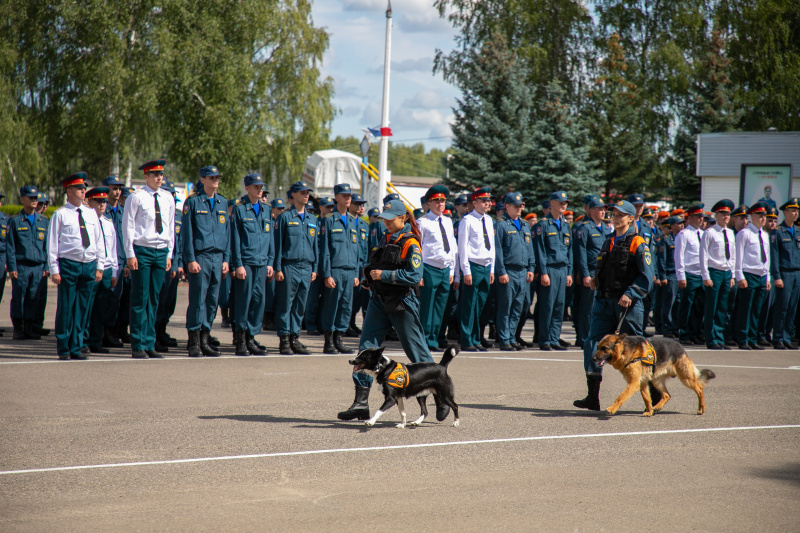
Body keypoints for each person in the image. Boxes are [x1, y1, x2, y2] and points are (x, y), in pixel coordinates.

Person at [337, 199, 435, 421]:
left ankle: (436, 394)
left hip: (402, 302)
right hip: (378, 301)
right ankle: (361, 404)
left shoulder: (411, 243)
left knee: (417, 352)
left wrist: (385, 276)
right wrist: (369, 279)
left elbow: (415, 276)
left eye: (391, 220)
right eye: (384, 220)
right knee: (366, 350)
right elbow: (376, 265)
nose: (386, 223)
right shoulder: (384, 238)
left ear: (403, 218)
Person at [574, 200, 654, 411]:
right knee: (592, 343)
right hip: (603, 301)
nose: (615, 217)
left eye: (621, 215)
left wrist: (631, 293)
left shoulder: (638, 242)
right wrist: (595, 280)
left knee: (639, 348)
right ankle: (592, 396)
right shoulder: (608, 240)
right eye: (613, 214)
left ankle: (654, 392)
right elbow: (604, 267)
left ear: (631, 218)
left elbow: (647, 276)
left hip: (626, 304)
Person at [48, 172, 105, 360]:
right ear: (69, 190)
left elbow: (99, 241)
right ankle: (64, 347)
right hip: (68, 264)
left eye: (84, 188)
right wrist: (54, 269)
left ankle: (77, 346)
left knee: (82, 307)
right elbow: (52, 244)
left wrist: (100, 266)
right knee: (66, 307)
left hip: (88, 264)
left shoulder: (90, 213)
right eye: (79, 188)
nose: (83, 191)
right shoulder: (60, 214)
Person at [122, 160, 175, 359]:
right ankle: (138, 344)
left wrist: (169, 253)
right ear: (146, 176)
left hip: (161, 250)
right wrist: (130, 254)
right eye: (154, 174)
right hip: (142, 250)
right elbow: (127, 226)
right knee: (140, 298)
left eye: (161, 174)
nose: (159, 178)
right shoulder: (136, 197)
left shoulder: (168, 197)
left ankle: (149, 342)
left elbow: (170, 228)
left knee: (154, 298)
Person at [183, 165, 230, 357]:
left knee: (212, 301)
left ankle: (205, 338)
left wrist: (226, 259)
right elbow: (187, 234)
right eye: (211, 178)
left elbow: (226, 233)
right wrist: (190, 259)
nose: (215, 180)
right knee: (198, 300)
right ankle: (194, 341)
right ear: (202, 180)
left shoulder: (222, 202)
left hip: (218, 257)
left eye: (217, 177)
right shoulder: (193, 202)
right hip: (201, 257)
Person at [230, 173, 274, 355]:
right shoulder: (239, 210)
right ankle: (240, 339)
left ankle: (251, 337)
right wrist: (238, 264)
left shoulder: (266, 209)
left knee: (258, 301)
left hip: (262, 262)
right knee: (243, 300)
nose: (259, 189)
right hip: (246, 262)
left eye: (261, 186)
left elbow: (269, 237)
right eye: (256, 186)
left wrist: (270, 261)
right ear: (247, 188)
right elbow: (236, 239)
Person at [274, 180, 318, 355]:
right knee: (286, 304)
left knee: (300, 305)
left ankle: (295, 338)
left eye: (308, 192)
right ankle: (284, 339)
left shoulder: (312, 218)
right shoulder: (285, 217)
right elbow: (278, 245)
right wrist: (278, 268)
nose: (306, 195)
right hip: (289, 265)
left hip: (306, 266)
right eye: (302, 192)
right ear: (293, 195)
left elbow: (315, 246)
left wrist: (314, 268)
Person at [319, 183, 360, 354]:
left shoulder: (352, 221)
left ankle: (339, 339)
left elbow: (356, 249)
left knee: (345, 306)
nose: (348, 198)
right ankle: (328, 341)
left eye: (349, 195)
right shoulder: (329, 220)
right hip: (335, 270)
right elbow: (325, 250)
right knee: (332, 305)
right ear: (336, 198)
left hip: (350, 271)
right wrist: (327, 274)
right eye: (344, 195)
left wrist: (357, 273)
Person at [6, 185, 49, 340]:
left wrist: (47, 265)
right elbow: (10, 246)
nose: (34, 201)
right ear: (22, 199)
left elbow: (47, 247)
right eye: (30, 198)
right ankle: (18, 328)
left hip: (38, 266)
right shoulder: (16, 221)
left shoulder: (43, 221)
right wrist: (12, 267)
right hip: (22, 265)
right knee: (19, 297)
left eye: (36, 198)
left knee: (33, 297)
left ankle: (30, 327)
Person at [418, 184, 457, 351]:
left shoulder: (447, 221)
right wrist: (418, 273)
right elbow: (418, 249)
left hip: (444, 269)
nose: (440, 204)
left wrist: (453, 271)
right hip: (429, 268)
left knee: (440, 307)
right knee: (427, 308)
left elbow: (452, 247)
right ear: (429, 203)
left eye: (443, 201)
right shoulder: (423, 222)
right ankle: (424, 340)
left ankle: (433, 339)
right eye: (436, 201)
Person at [494, 192, 535, 351]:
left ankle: (511, 337)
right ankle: (504, 339)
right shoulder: (502, 225)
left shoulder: (524, 225)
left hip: (522, 271)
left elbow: (529, 248)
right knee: (506, 307)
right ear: (507, 206)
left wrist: (531, 267)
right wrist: (501, 271)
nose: (520, 208)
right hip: (508, 271)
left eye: (521, 206)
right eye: (516, 206)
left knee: (518, 307)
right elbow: (497, 251)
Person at [533, 191, 573, 351]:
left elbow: (569, 250)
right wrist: (543, 272)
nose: (564, 205)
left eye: (565, 202)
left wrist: (569, 272)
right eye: (561, 202)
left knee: (559, 306)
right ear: (552, 204)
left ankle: (554, 338)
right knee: (547, 306)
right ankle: (544, 339)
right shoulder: (543, 225)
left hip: (563, 270)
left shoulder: (564, 225)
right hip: (549, 269)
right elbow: (540, 251)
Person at [457, 187, 496, 352]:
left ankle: (475, 337)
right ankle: (466, 340)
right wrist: (466, 270)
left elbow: (492, 246)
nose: (488, 203)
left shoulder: (488, 219)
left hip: (486, 266)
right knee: (469, 305)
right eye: (484, 200)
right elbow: (463, 247)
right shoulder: (467, 220)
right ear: (474, 203)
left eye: (488, 200)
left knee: (480, 306)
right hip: (473, 265)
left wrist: (492, 268)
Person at [85, 187, 119, 354]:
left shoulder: (108, 223)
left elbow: (112, 250)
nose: (102, 204)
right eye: (98, 201)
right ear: (89, 202)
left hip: (105, 269)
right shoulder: (85, 221)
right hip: (91, 268)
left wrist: (113, 272)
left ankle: (96, 340)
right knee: (87, 306)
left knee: (100, 308)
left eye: (104, 201)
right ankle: (83, 340)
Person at [573, 197, 611, 349]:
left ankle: (597, 336)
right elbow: (580, 254)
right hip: (590, 271)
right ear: (591, 210)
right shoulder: (585, 228)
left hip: (604, 273)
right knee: (588, 307)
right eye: (600, 209)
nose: (603, 211)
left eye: (604, 209)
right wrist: (584, 275)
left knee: (602, 307)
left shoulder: (607, 229)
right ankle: (584, 337)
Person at [734, 202, 772, 350]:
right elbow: (738, 256)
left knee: (757, 309)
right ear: (752, 216)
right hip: (749, 274)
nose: (763, 218)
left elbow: (766, 257)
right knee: (746, 308)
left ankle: (752, 338)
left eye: (764, 216)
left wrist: (767, 277)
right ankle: (743, 338)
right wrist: (739, 276)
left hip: (761, 275)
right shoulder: (744, 233)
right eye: (759, 215)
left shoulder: (764, 234)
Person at [699, 200, 736, 350]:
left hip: (726, 272)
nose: (726, 216)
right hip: (714, 272)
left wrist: (732, 274)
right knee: (712, 307)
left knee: (722, 307)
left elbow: (732, 255)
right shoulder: (710, 232)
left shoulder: (731, 233)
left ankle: (719, 337)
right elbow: (703, 255)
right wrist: (705, 276)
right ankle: (711, 338)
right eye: (723, 213)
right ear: (716, 215)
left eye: (728, 214)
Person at [154, 179, 183, 352]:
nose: (171, 197)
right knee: (157, 299)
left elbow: (180, 242)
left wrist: (178, 264)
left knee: (169, 300)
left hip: (172, 264)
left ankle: (162, 330)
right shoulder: (158, 212)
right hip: (158, 260)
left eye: (173, 194)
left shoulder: (178, 215)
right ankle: (154, 334)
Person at [769, 197, 800, 349]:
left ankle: (787, 337)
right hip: (785, 273)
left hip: (797, 273)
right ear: (785, 212)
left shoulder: (798, 231)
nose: (796, 213)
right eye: (793, 210)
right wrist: (777, 276)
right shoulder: (778, 232)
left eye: (797, 211)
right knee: (782, 307)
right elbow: (774, 256)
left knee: (792, 307)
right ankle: (778, 338)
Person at [101, 175, 127, 348]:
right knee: (105, 300)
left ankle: (112, 332)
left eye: (119, 189)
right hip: (107, 262)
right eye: (113, 188)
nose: (117, 192)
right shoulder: (103, 211)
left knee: (117, 300)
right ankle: (102, 333)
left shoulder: (124, 212)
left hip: (122, 262)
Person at [674, 204, 705, 345]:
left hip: (702, 274)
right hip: (690, 274)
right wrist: (681, 276)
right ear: (690, 217)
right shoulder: (684, 234)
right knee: (687, 306)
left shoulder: (703, 234)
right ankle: (685, 334)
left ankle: (695, 332)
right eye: (698, 216)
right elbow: (679, 256)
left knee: (699, 307)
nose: (701, 219)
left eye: (702, 217)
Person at [347, 193, 370, 337]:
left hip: (362, 266)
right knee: (348, 298)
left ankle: (352, 323)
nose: (360, 207)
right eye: (357, 203)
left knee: (359, 298)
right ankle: (345, 324)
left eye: (362, 204)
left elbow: (366, 247)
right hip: (350, 264)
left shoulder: (364, 225)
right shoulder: (346, 221)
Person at [262, 197, 286, 330]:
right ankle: (267, 318)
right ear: (273, 210)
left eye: (283, 208)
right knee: (269, 292)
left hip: (280, 261)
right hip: (269, 260)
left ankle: (274, 317)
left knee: (278, 292)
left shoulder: (284, 222)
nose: (281, 211)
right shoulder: (269, 222)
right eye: (279, 209)